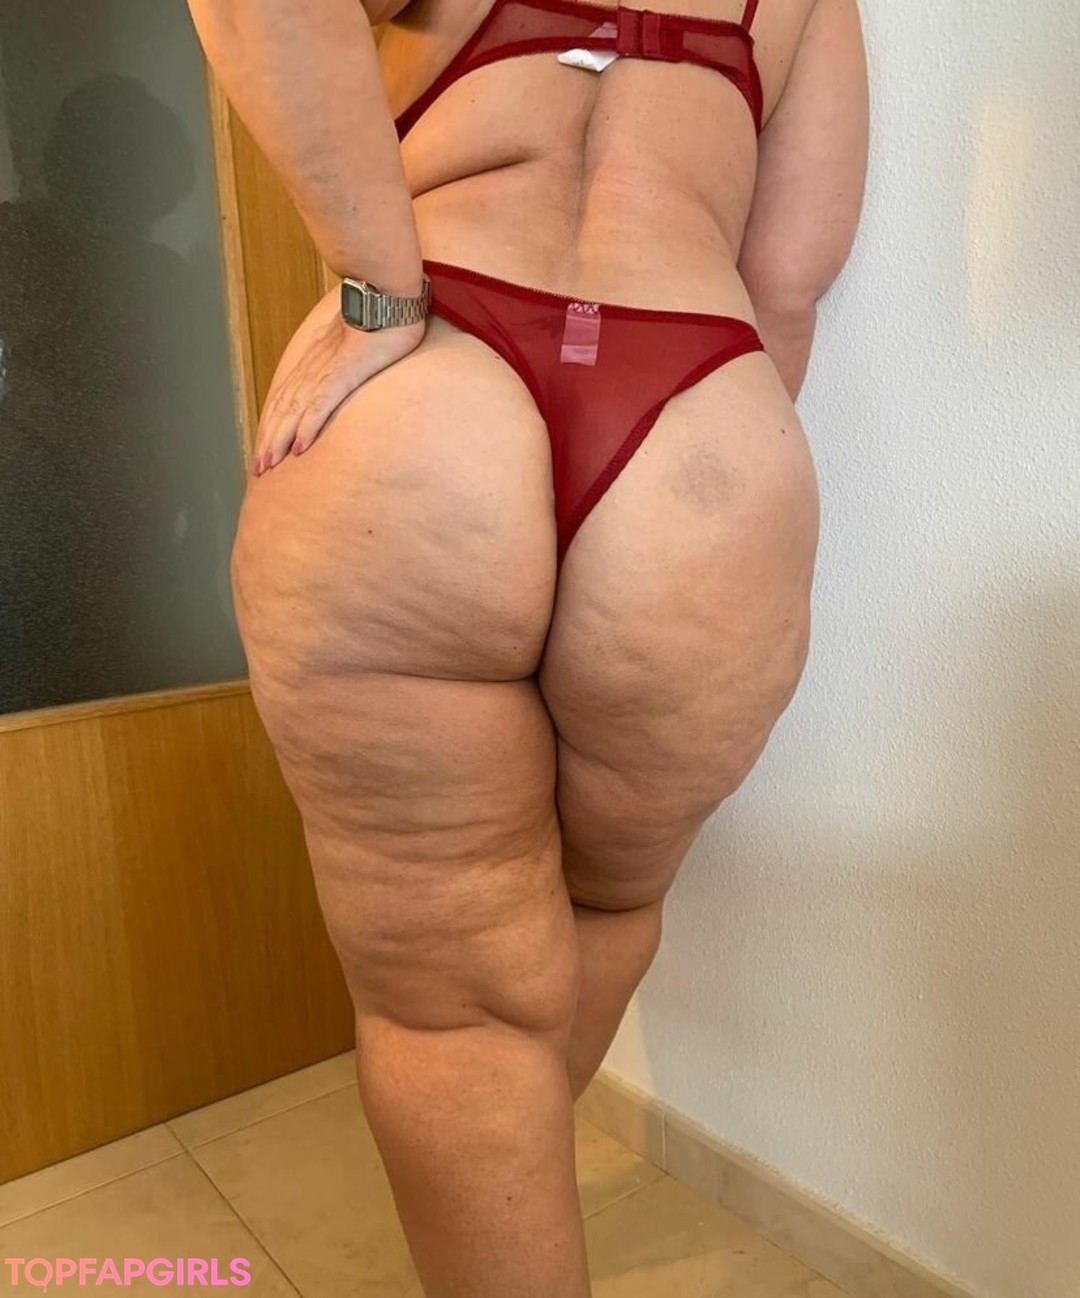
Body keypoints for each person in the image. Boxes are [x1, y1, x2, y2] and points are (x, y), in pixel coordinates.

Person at [188, 0, 868, 1292]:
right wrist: (700, 483)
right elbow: (786, 281)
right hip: (695, 429)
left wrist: (375, 287)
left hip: (436, 396)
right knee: (605, 904)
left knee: (452, 1012)